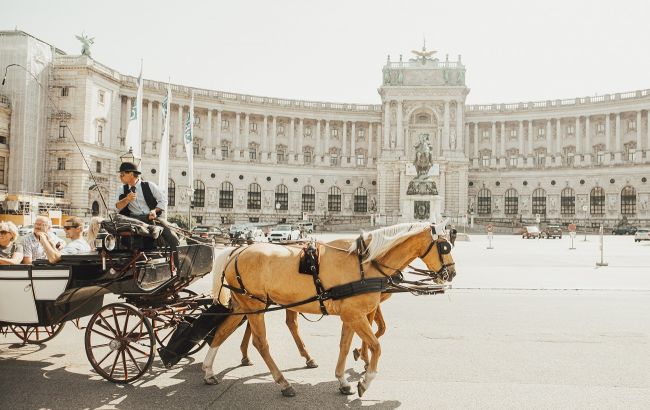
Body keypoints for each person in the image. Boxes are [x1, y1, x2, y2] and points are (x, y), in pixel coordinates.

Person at [114, 162, 180, 254]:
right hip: (134, 220)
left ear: (131, 174)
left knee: (172, 238)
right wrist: (127, 199)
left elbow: (163, 201)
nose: (120, 177)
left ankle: (177, 264)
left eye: (122, 174)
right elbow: (117, 206)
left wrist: (154, 211)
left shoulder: (149, 185)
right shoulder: (121, 189)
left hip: (152, 217)